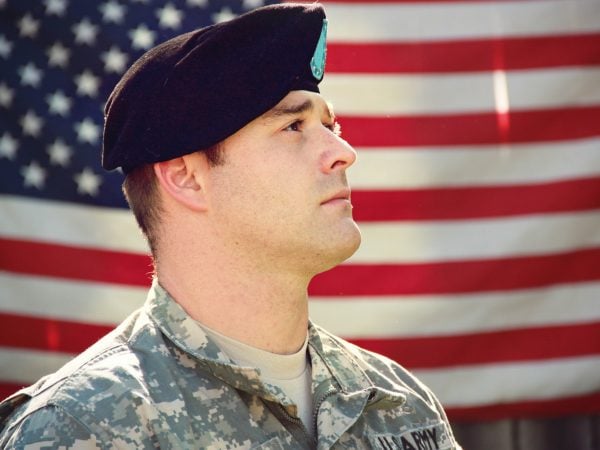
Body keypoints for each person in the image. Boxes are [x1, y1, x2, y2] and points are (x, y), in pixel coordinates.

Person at [0, 3, 462, 449]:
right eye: (292, 127)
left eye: (330, 126)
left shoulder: (398, 404)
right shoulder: (83, 427)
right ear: (186, 177)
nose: (344, 152)